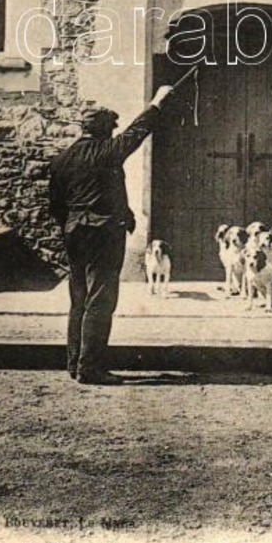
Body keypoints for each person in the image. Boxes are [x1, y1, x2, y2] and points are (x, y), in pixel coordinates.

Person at [48, 86, 174, 385]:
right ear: (105, 130)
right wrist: (156, 102)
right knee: (101, 299)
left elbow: (56, 205)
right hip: (102, 235)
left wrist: (76, 223)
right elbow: (137, 131)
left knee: (79, 298)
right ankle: (90, 368)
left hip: (74, 232)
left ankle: (75, 363)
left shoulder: (62, 160)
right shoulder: (108, 151)